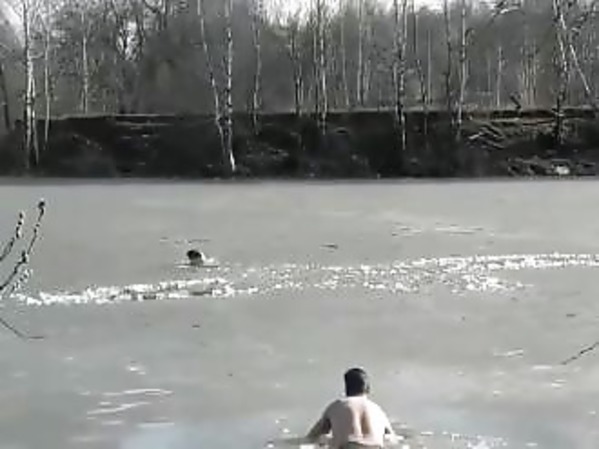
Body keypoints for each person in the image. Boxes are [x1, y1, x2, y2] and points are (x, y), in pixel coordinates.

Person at [305, 368, 398, 448]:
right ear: (368, 388)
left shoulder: (336, 406)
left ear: (346, 388)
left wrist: (326, 441)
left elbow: (312, 437)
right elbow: (393, 439)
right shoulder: (377, 410)